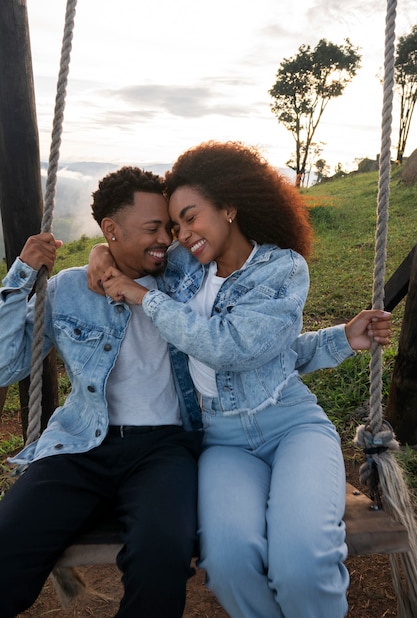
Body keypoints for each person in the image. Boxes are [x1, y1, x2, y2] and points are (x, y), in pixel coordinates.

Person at [88, 141, 392, 618]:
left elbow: (234, 347)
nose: (182, 235)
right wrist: (97, 255)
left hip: (290, 425)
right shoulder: (185, 267)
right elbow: (130, 252)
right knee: (227, 565)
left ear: (229, 207)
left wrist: (145, 299)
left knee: (302, 564)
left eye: (191, 217)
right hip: (222, 439)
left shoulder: (282, 268)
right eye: (175, 225)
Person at [0, 166, 203, 618]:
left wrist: (102, 252)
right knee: (8, 543)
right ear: (110, 229)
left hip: (166, 446)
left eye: (168, 228)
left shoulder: (187, 281)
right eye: (153, 229)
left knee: (163, 553)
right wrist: (22, 273)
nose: (166, 239)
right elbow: (4, 364)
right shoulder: (69, 289)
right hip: (81, 442)